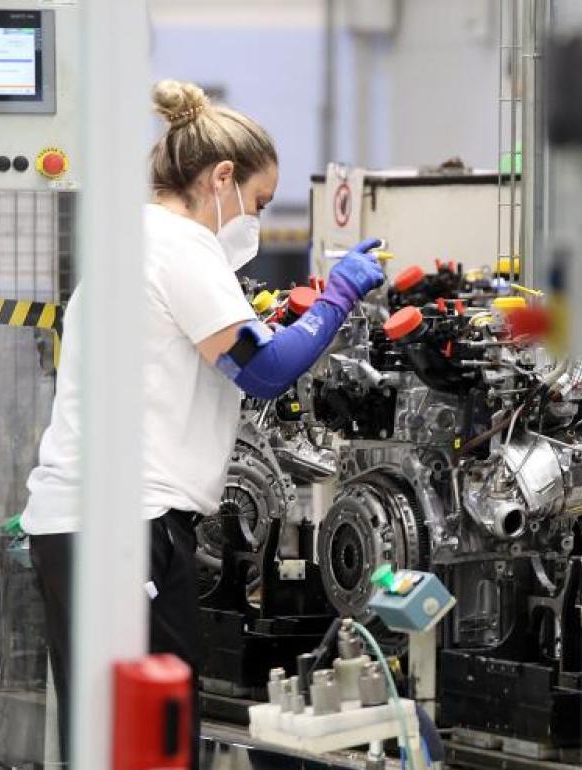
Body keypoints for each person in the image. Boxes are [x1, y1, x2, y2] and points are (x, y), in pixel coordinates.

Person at [21, 79, 384, 767]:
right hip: (126, 528)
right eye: (257, 202)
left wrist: (283, 321)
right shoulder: (184, 247)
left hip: (80, 526)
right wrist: (336, 297)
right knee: (158, 738)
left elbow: (221, 348)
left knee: (104, 737)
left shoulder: (135, 241)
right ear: (221, 177)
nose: (255, 218)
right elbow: (265, 370)